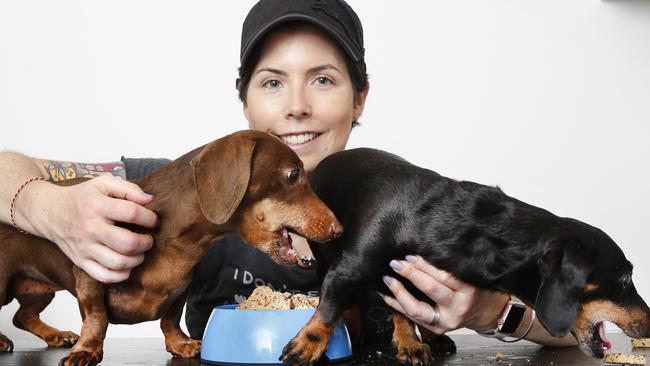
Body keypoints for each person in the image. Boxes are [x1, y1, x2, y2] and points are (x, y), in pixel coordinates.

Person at [0, 0, 575, 349]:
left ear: (360, 99)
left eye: (323, 80)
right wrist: (50, 208)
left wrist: (490, 312)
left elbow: (579, 321)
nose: (296, 107)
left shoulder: (410, 211)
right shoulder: (177, 191)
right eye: (272, 82)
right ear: (245, 102)